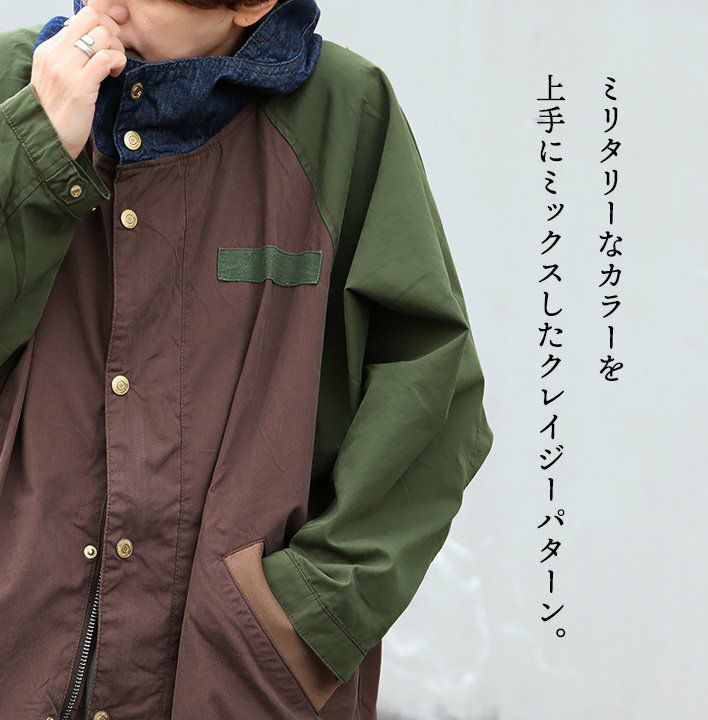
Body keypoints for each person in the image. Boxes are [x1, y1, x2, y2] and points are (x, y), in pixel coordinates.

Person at [0, 0, 495, 718]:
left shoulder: (343, 114)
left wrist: (305, 620)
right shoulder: (15, 85)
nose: (104, 2)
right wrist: (34, 153)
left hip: (240, 684)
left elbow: (431, 391)